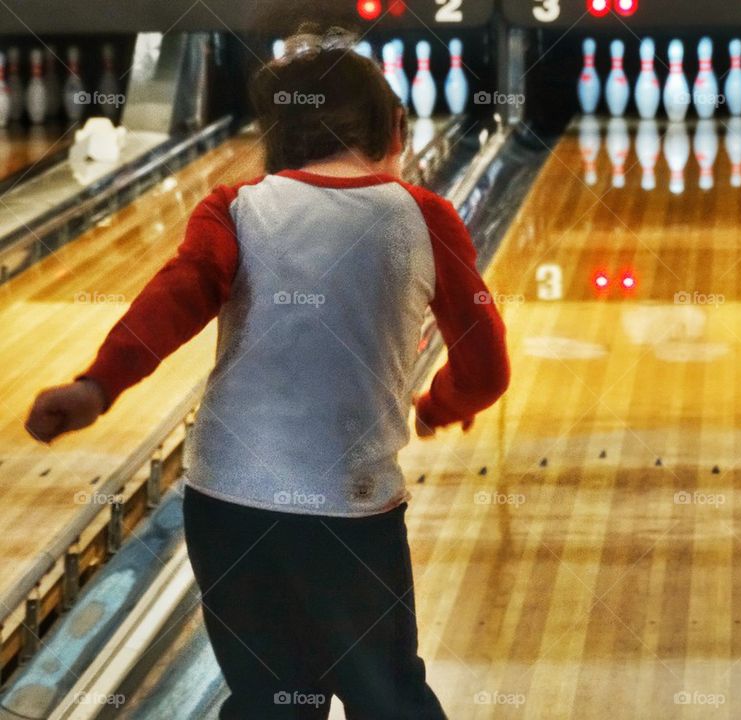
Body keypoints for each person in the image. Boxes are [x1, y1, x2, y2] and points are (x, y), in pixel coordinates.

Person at [25, 25, 509, 720]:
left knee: (271, 700)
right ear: (396, 129)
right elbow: (486, 363)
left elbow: (175, 298)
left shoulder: (233, 207)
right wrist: (437, 405)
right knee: (388, 696)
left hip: (225, 503)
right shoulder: (427, 216)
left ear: (277, 137)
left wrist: (97, 385)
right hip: (348, 507)